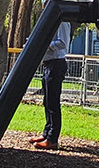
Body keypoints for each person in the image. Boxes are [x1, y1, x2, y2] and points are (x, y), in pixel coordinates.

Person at [31, 20, 72, 149]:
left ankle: (52, 139)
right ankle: (46, 133)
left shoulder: (62, 22)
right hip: (48, 64)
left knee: (53, 102)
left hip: (56, 64)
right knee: (47, 101)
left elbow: (63, 43)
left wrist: (45, 44)